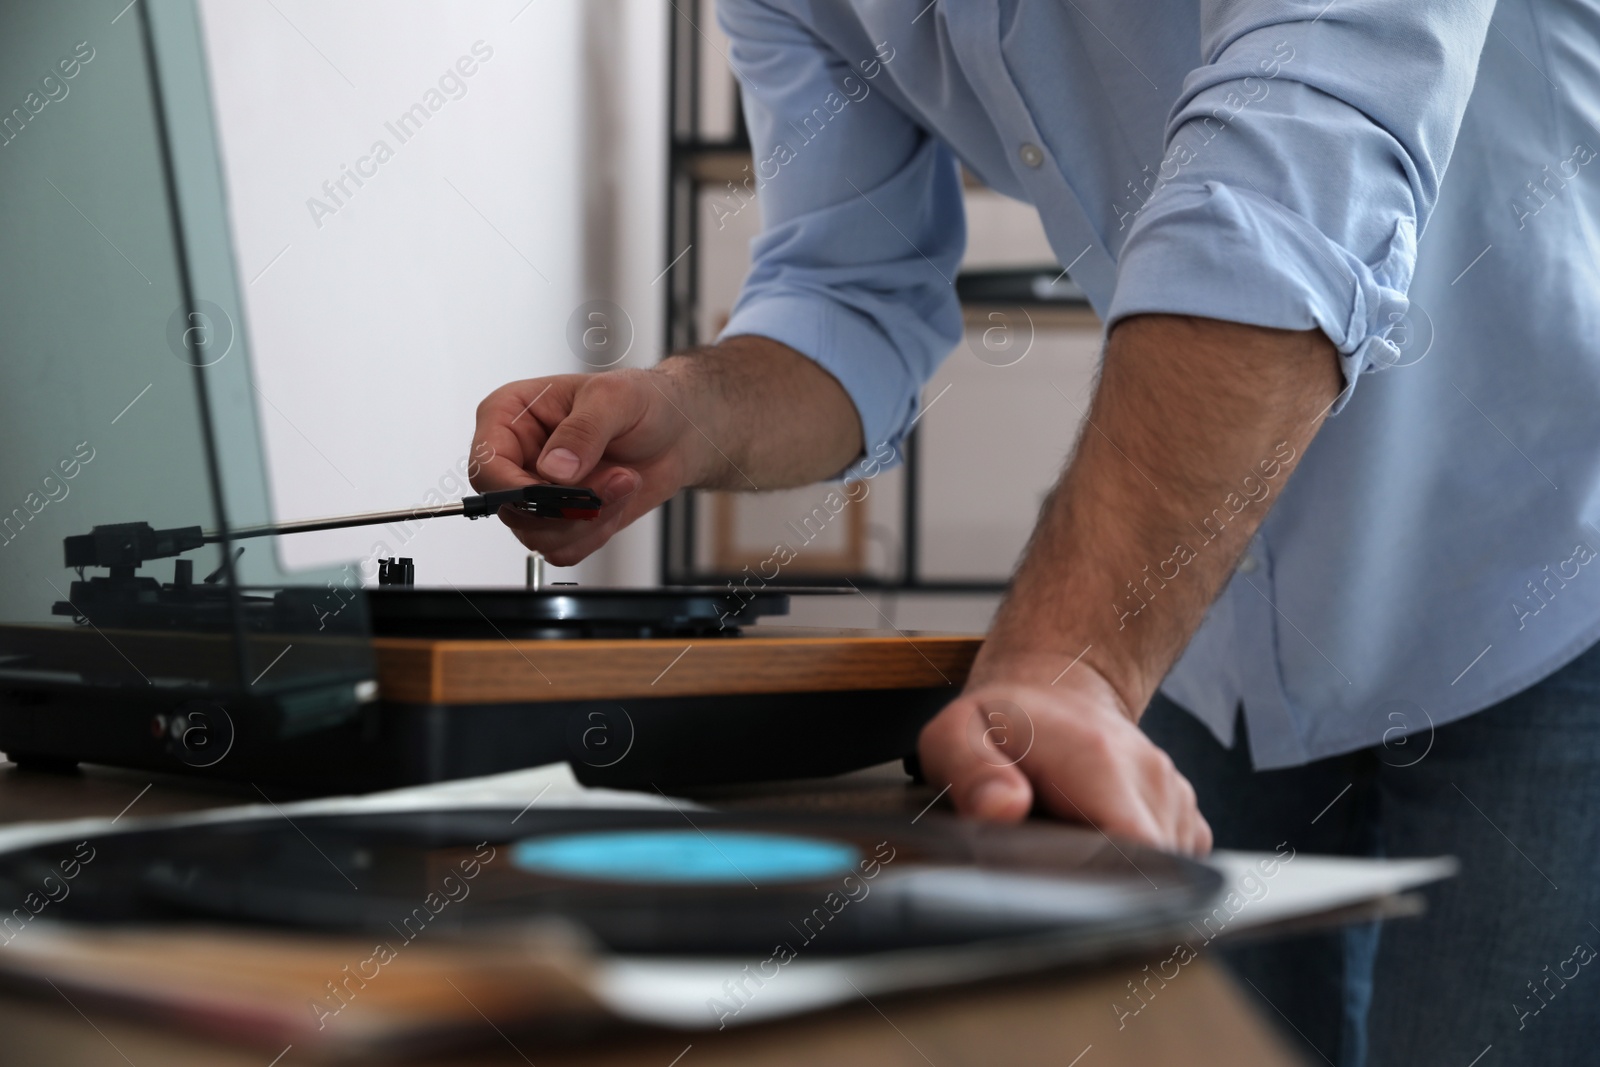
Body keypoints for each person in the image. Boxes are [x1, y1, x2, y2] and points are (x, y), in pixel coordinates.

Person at [472, 3, 1600, 1063]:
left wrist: (1079, 659)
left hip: (1548, 580)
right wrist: (691, 408)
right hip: (1210, 647)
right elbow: (845, 288)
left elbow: (1300, 157)